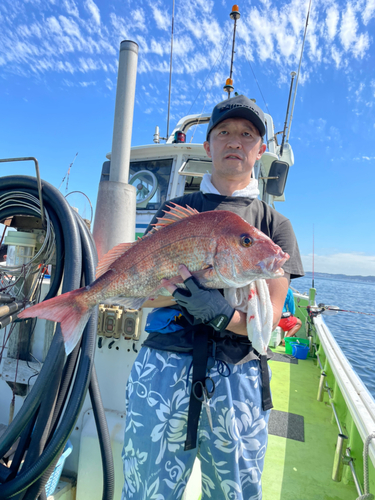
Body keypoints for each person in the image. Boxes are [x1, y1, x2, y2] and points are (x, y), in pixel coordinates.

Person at [122, 95, 304, 500]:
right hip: (164, 364)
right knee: (145, 489)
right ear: (209, 147)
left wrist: (221, 314)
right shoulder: (175, 209)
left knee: (233, 492)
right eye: (224, 132)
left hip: (239, 374)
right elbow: (142, 290)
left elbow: (271, 317)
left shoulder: (275, 226)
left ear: (260, 150)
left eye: (247, 134)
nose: (235, 141)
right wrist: (181, 295)